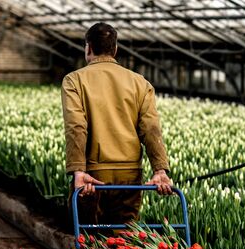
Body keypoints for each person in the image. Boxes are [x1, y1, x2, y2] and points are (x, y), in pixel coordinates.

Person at [62, 22, 173, 226]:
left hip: (93, 177)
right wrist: (160, 170)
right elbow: (151, 128)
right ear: (115, 49)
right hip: (129, 176)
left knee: (89, 238)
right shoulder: (140, 82)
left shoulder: (74, 80)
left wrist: (78, 170)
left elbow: (76, 127)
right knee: (123, 240)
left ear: (88, 47)